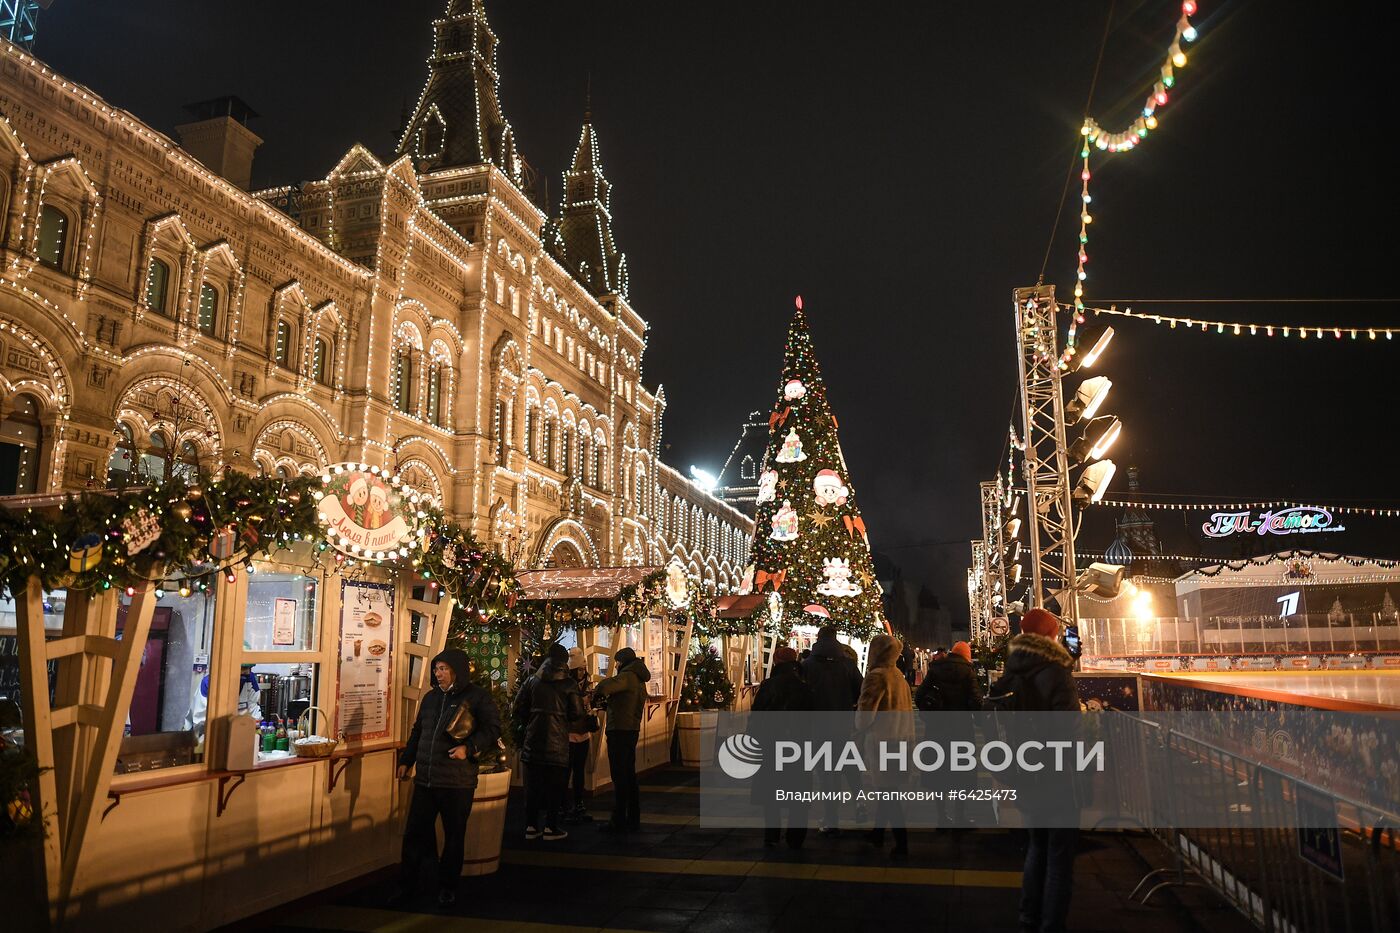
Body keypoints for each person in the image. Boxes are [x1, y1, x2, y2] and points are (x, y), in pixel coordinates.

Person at [393, 648, 501, 908]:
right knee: (414, 835)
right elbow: (418, 731)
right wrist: (407, 761)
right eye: (436, 668)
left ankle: (448, 887)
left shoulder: (478, 697)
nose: (438, 674)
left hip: (457, 782)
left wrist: (470, 748)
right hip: (426, 780)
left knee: (454, 837)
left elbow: (492, 729)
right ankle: (409, 886)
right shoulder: (430, 698)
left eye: (443, 669)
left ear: (457, 671)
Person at [995, 607, 1081, 933]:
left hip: (1024, 770)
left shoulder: (1013, 670)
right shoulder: (1056, 670)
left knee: (1037, 846)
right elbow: (1069, 728)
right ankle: (1051, 925)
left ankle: (1028, 918)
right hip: (1056, 774)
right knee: (1060, 858)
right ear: (1050, 635)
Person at [514, 642, 585, 841]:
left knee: (532, 787)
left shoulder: (531, 681)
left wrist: (532, 719)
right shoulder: (569, 684)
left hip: (533, 741)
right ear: (564, 662)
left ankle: (531, 826)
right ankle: (551, 827)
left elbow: (518, 708)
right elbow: (577, 713)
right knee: (556, 786)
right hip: (557, 743)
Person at [802, 625, 864, 834]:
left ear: (818, 639)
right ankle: (859, 802)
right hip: (843, 724)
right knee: (849, 764)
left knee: (827, 772)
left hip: (817, 725)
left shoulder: (807, 665)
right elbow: (860, 691)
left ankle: (831, 818)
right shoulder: (848, 664)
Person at [751, 645, 814, 848]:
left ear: (776, 661)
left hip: (771, 745)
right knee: (798, 794)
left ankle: (772, 835)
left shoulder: (769, 685)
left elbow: (757, 717)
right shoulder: (804, 687)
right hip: (799, 748)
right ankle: (796, 838)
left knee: (771, 793)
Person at [857, 632, 914, 859]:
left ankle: (902, 843)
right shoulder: (898, 675)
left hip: (883, 741)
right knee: (888, 790)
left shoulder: (876, 676)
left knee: (889, 794)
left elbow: (864, 717)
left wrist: (859, 726)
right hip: (901, 739)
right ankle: (878, 833)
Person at [916, 641, 984, 826]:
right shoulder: (968, 672)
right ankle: (960, 816)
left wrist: (928, 713)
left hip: (937, 727)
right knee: (961, 772)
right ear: (966, 656)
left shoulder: (936, 669)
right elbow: (976, 700)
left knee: (938, 771)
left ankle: (941, 816)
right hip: (961, 728)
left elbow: (920, 695)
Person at [593, 645, 650, 832]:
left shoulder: (627, 676)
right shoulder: (638, 678)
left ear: (623, 661)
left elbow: (605, 686)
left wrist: (597, 693)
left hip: (620, 730)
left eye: (617, 661)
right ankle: (632, 817)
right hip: (631, 730)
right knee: (629, 775)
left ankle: (619, 819)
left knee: (620, 776)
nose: (616, 665)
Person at [564, 647, 595, 823]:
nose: (582, 672)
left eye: (584, 669)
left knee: (579, 771)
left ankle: (578, 802)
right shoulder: (567, 686)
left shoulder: (587, 685)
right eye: (580, 669)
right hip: (569, 734)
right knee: (567, 771)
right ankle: (565, 804)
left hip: (583, 734)